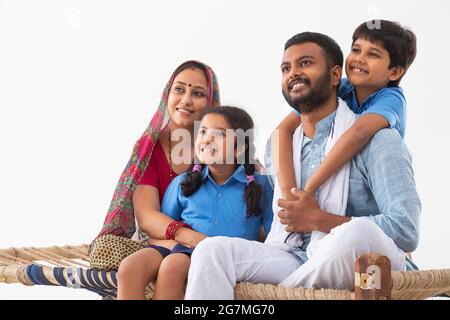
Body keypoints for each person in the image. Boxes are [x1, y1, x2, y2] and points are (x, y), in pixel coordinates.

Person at [184, 32, 421, 299]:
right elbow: (282, 218)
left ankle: (282, 295)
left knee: (357, 232)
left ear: (335, 76)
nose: (293, 72)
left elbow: (406, 230)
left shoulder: (379, 139)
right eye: (286, 68)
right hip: (295, 256)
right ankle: (294, 290)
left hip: (363, 257)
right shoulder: (280, 145)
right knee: (212, 251)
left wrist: (320, 220)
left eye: (306, 63)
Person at [117, 106, 273, 299]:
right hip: (177, 247)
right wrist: (177, 245)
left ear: (240, 147)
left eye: (219, 134)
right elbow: (159, 232)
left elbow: (274, 238)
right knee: (129, 267)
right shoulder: (183, 183)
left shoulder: (262, 186)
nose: (207, 139)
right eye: (203, 132)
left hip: (222, 258)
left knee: (173, 265)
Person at [90, 60, 220, 262]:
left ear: (211, 102)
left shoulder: (225, 145)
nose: (186, 100)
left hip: (217, 243)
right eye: (179, 89)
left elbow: (251, 190)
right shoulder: (149, 148)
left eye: (198, 93)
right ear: (167, 94)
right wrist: (192, 239)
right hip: (162, 244)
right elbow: (146, 216)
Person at [273, 20, 417, 200]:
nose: (359, 59)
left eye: (372, 54)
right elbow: (283, 130)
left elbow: (359, 133)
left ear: (394, 72)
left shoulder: (392, 99)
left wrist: (309, 189)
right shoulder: (340, 86)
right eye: (356, 50)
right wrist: (289, 193)